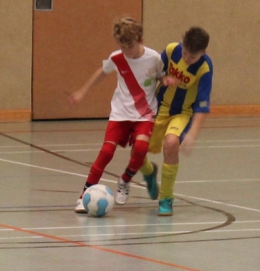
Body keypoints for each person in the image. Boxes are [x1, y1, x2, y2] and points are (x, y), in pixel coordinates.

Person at [68, 17, 166, 212]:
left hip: (145, 114)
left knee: (140, 149)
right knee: (106, 152)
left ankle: (125, 179)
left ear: (140, 40)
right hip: (120, 113)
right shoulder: (117, 58)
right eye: (122, 47)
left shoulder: (154, 58)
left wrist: (167, 81)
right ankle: (83, 196)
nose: (126, 51)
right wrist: (82, 91)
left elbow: (161, 77)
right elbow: (101, 72)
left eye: (130, 46)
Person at [139, 27, 213, 216]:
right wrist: (164, 78)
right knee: (137, 149)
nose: (187, 58)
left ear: (203, 52)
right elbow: (155, 73)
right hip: (158, 106)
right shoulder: (172, 50)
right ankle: (149, 172)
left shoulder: (205, 68)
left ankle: (166, 198)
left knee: (171, 143)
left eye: (192, 57)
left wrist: (192, 134)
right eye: (185, 53)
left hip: (182, 113)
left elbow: (203, 104)